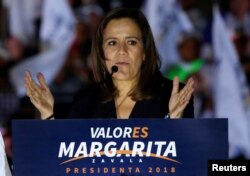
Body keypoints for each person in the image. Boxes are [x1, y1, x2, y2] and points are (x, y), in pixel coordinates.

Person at [25, 8, 194, 120]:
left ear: (145, 52)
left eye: (132, 42)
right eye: (112, 43)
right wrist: (48, 117)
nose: (122, 51)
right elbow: (68, 163)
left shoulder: (173, 96)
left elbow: (188, 162)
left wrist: (175, 124)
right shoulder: (85, 103)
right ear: (101, 52)